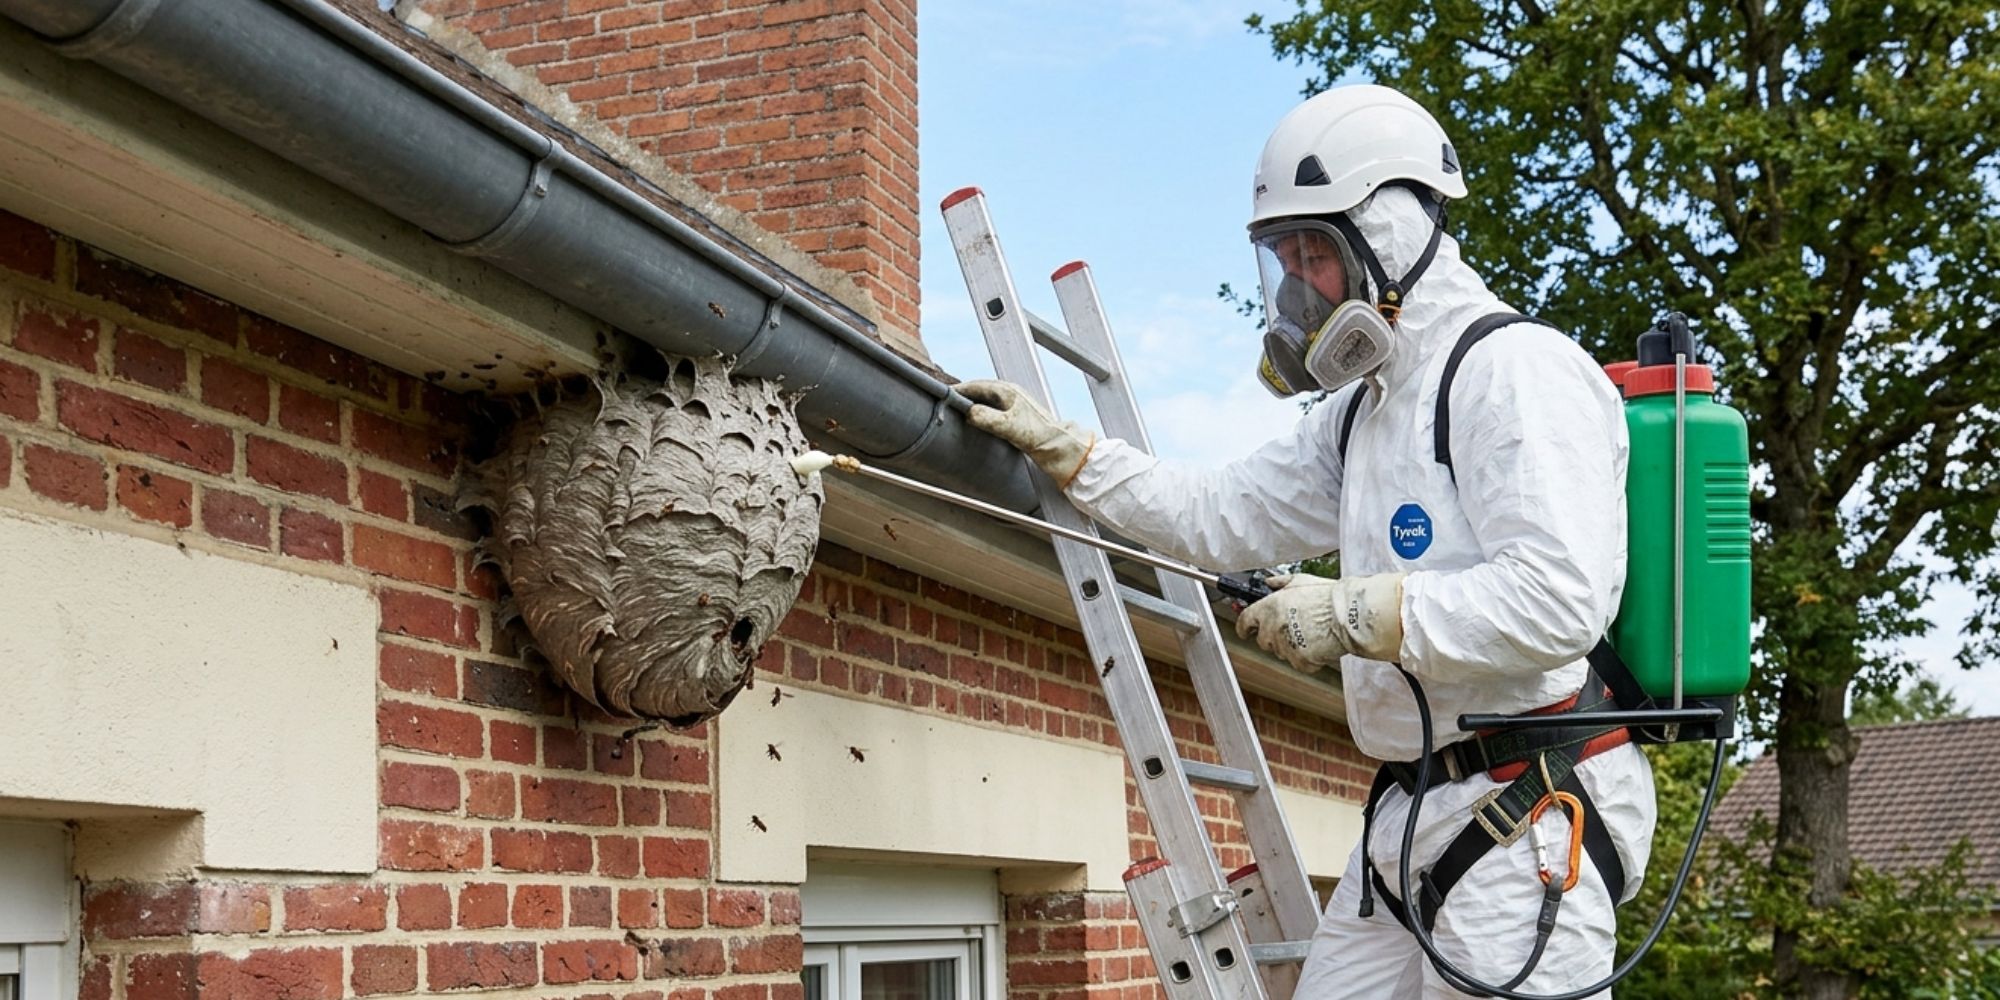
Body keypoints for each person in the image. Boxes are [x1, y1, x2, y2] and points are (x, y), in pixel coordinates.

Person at [957, 84, 1655, 998]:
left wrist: (1353, 614)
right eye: (1283, 259)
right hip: (1414, 807)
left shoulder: (1513, 373)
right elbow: (1218, 512)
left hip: (1529, 813)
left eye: (1314, 254)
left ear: (1392, 233)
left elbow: (1558, 599)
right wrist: (1074, 454)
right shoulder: (1363, 415)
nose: (1296, 287)